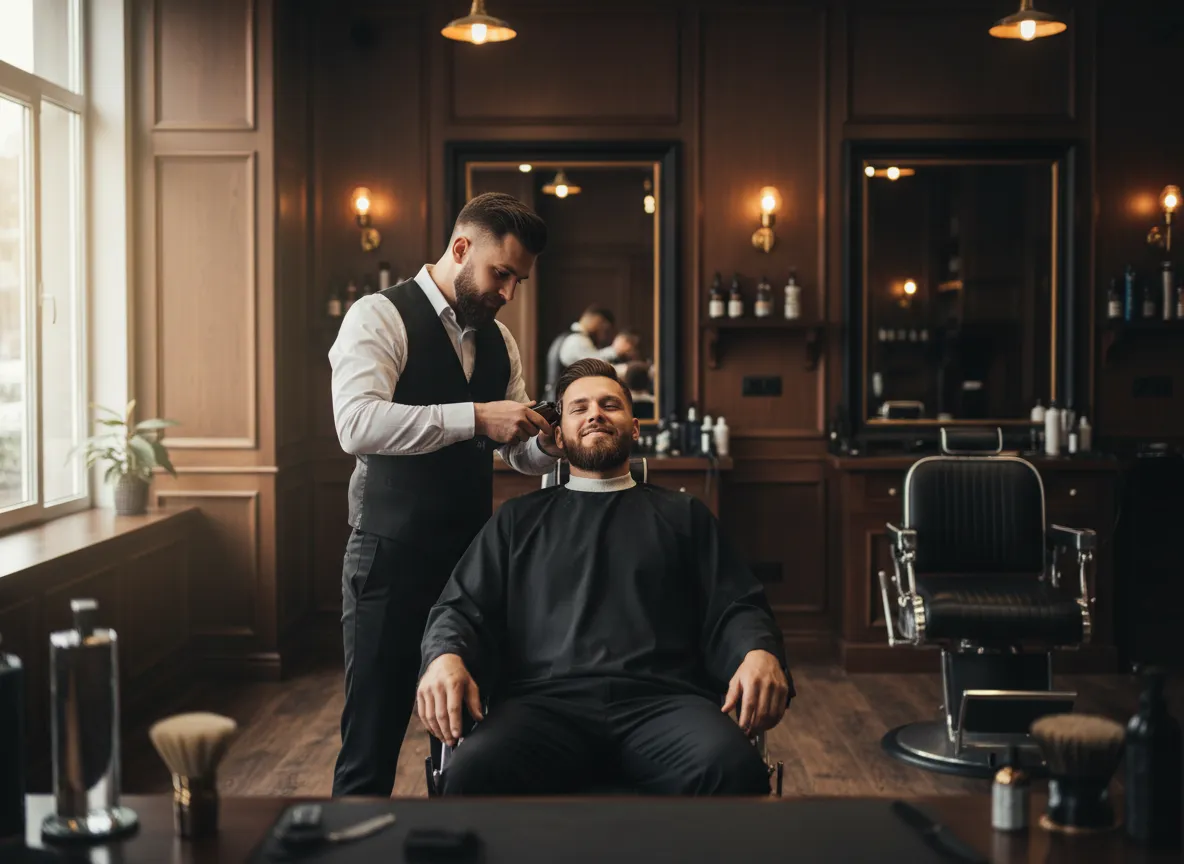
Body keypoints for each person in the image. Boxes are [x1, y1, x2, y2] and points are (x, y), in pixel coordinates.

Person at [416, 358, 794, 796]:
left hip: (663, 704)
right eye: (579, 408)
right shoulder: (518, 521)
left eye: (609, 404)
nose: (595, 413)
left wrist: (758, 651)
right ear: (558, 435)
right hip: (542, 707)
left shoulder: (684, 516)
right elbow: (461, 607)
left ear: (634, 428)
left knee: (733, 769)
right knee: (473, 773)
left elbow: (737, 605)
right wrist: (445, 656)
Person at [328, 192, 560, 796]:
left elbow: (515, 452)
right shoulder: (377, 317)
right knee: (370, 740)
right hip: (386, 557)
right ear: (461, 248)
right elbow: (356, 424)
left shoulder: (499, 342)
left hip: (468, 567)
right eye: (500, 273)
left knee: (461, 739)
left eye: (518, 280)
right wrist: (477, 417)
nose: (508, 292)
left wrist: (548, 445)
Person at [542, 306, 616, 399]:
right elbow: (600, 368)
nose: (603, 335)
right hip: (561, 403)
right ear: (597, 320)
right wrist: (628, 369)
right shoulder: (577, 340)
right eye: (604, 329)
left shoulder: (569, 336)